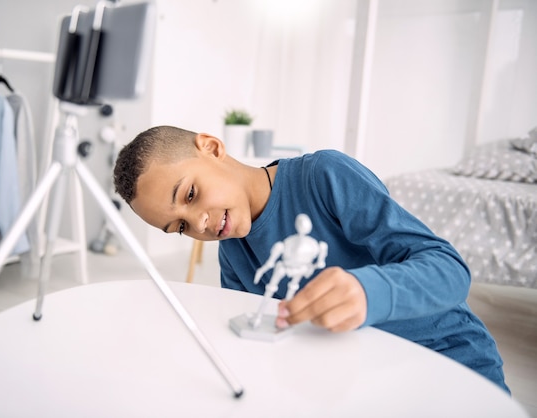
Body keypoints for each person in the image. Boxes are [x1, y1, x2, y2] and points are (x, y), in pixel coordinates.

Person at [113, 125, 509, 394]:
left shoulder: (324, 176)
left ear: (213, 148)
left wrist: (369, 292)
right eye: (179, 227)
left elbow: (450, 269)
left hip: (447, 365)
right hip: (364, 383)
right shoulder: (233, 253)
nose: (198, 223)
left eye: (191, 194)